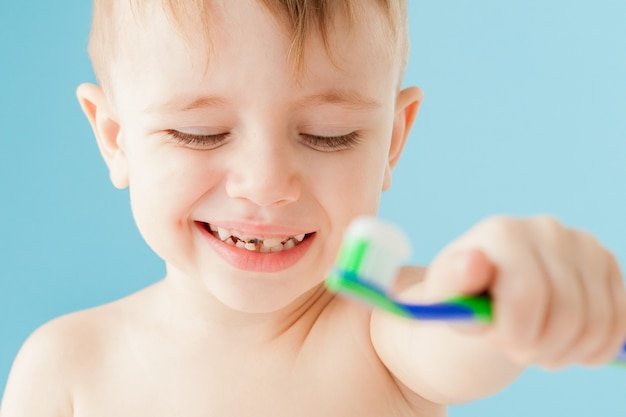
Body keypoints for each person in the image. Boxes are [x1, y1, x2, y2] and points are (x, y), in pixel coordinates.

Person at [2, 1, 625, 415]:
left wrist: (503, 287)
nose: (267, 184)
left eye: (330, 135)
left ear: (392, 142)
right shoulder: (66, 370)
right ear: (116, 139)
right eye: (200, 134)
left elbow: (457, 340)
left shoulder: (382, 332)